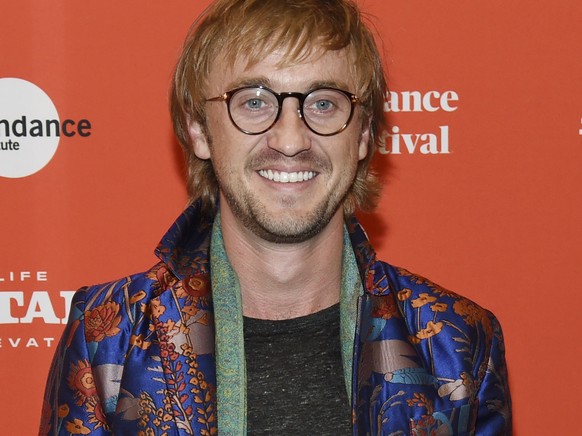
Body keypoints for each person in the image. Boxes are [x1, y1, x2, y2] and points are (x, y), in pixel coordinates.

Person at [40, 0, 512, 434]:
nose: (290, 140)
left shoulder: (458, 342)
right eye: (254, 102)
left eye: (324, 103)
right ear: (198, 129)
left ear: (364, 134)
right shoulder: (110, 336)